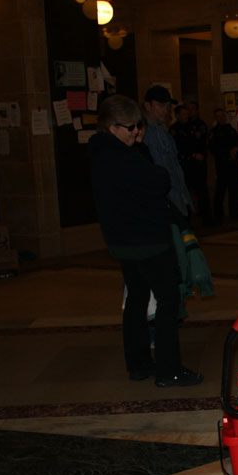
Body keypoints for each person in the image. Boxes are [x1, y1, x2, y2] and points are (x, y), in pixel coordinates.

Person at [89, 94, 204, 388]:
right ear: (112, 127)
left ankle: (139, 364)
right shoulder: (123, 157)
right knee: (168, 301)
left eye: (138, 126)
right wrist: (155, 170)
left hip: (122, 241)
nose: (137, 133)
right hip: (147, 241)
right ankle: (169, 370)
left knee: (137, 299)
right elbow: (159, 182)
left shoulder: (99, 152)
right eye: (131, 128)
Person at [141, 85, 193, 219]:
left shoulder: (164, 132)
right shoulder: (144, 134)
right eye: (160, 105)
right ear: (148, 106)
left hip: (177, 201)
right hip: (163, 203)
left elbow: (174, 166)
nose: (165, 110)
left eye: (168, 106)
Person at [171, 102, 212, 226]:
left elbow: (202, 142)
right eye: (183, 114)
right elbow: (177, 147)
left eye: (187, 114)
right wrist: (192, 155)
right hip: (185, 165)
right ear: (177, 115)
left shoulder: (194, 126)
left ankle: (207, 219)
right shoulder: (174, 129)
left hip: (198, 165)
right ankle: (185, 221)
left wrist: (201, 154)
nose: (186, 116)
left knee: (202, 191)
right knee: (185, 192)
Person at [209, 108, 238, 222]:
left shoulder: (231, 130)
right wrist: (227, 152)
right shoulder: (214, 132)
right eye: (218, 116)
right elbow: (213, 149)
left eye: (223, 116)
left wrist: (236, 149)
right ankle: (218, 216)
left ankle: (234, 213)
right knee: (220, 191)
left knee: (234, 190)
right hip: (222, 165)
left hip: (232, 165)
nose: (221, 118)